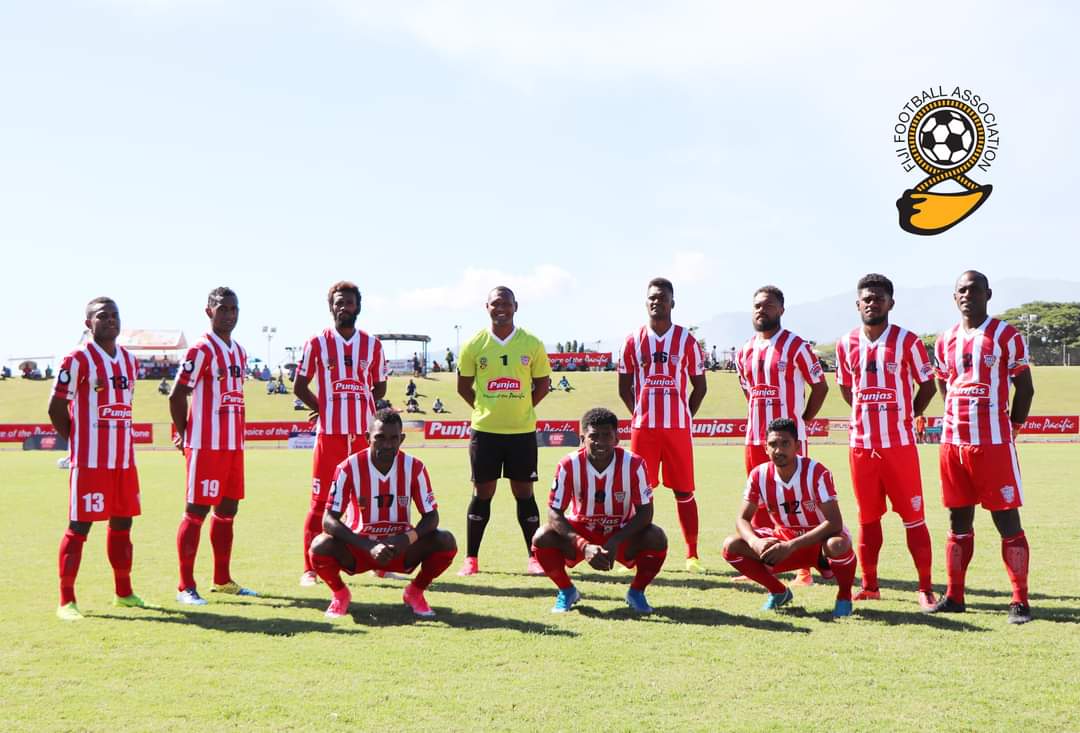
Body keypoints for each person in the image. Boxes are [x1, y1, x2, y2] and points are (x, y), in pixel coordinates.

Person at [927, 271, 1034, 624]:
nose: (967, 295)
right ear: (953, 296)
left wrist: (1013, 427)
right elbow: (944, 384)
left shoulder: (1006, 336)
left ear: (988, 294)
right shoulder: (944, 340)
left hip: (993, 444)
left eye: (974, 289)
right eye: (961, 290)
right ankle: (955, 596)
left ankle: (1020, 601)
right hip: (953, 445)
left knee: (1006, 520)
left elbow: (1026, 388)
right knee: (958, 521)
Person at [835, 274, 937, 610]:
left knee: (913, 517)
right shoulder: (846, 343)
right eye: (866, 298)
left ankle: (924, 588)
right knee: (867, 518)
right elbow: (847, 388)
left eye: (879, 298)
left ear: (890, 303)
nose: (872, 303)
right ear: (857, 304)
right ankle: (871, 585)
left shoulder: (908, 341)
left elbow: (928, 385)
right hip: (862, 447)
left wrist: (907, 414)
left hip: (899, 447)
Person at [48, 297, 148, 620]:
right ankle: (67, 601)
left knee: (123, 525)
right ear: (88, 323)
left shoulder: (130, 362)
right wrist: (78, 442)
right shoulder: (77, 358)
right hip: (90, 462)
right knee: (79, 527)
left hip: (123, 461)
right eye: (102, 316)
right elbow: (56, 406)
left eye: (115, 315)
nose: (110, 321)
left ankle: (124, 592)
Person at [309, 409, 457, 618]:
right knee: (319, 546)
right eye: (380, 438)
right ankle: (340, 595)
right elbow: (328, 520)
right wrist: (368, 545)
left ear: (401, 439)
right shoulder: (348, 468)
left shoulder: (415, 467)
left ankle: (415, 593)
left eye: (393, 438)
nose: (387, 445)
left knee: (445, 541)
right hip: (359, 547)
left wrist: (406, 539)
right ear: (367, 438)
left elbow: (431, 517)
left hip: (400, 547)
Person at [294, 281, 387, 586]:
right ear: (330, 306)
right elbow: (300, 385)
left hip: (362, 435)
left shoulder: (372, 345)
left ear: (357, 307)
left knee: (368, 499)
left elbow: (380, 385)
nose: (343, 307)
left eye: (348, 302)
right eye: (338, 302)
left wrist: (363, 403)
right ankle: (310, 568)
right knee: (320, 501)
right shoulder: (316, 343)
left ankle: (378, 560)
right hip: (330, 435)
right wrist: (323, 407)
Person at [734, 285, 828, 586]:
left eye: (769, 305)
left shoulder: (796, 345)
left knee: (798, 500)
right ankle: (763, 565)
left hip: (789, 441)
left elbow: (820, 386)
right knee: (759, 502)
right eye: (758, 305)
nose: (762, 310)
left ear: (781, 310)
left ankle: (804, 569)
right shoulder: (744, 350)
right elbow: (747, 390)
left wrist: (801, 420)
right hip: (755, 438)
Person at [531, 408, 667, 613]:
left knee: (656, 537)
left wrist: (615, 541)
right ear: (582, 438)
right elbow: (554, 512)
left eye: (607, 436)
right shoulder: (569, 464)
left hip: (621, 530)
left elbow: (645, 512)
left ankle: (636, 592)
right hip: (582, 530)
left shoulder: (634, 464)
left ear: (617, 438)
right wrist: (583, 545)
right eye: (594, 436)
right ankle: (567, 591)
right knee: (542, 537)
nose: (600, 442)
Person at [169, 287, 257, 605]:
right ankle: (185, 587)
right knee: (196, 512)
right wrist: (184, 435)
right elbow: (177, 394)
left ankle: (222, 580)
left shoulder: (240, 352)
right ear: (209, 311)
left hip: (233, 445)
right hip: (205, 444)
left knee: (228, 510)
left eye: (234, 309)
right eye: (223, 309)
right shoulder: (200, 350)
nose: (230, 315)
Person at [456, 286, 552, 576]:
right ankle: (471, 559)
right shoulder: (475, 344)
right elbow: (463, 387)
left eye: (506, 304)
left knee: (524, 492)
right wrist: (486, 408)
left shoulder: (531, 343)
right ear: (486, 307)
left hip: (521, 432)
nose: (501, 308)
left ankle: (534, 557)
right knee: (482, 492)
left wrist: (522, 406)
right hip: (485, 431)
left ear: (516, 306)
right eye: (495, 303)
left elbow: (543, 385)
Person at [721, 418, 858, 617]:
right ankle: (779, 592)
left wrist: (791, 546)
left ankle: (844, 596)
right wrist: (755, 542)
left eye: (785, 443)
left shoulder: (817, 472)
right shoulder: (758, 475)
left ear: (797, 446)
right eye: (773, 444)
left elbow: (835, 523)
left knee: (838, 544)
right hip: (784, 540)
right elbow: (742, 519)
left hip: (818, 543)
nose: (778, 450)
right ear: (765, 447)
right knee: (731, 545)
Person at [618, 277, 707, 572]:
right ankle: (628, 553)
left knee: (684, 491)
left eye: (663, 297)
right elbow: (623, 386)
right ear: (646, 302)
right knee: (638, 492)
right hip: (644, 428)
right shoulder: (632, 340)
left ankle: (692, 555)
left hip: (677, 429)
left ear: (672, 302)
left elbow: (700, 386)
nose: (657, 302)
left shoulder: (686, 341)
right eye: (652, 298)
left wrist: (684, 415)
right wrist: (640, 412)